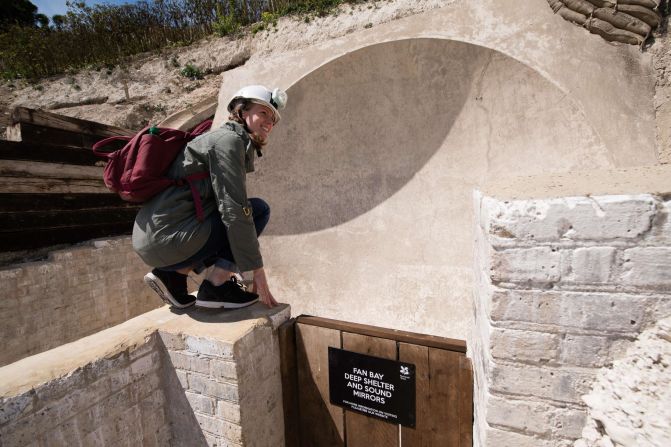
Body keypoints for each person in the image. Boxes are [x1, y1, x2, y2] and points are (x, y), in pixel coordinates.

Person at [132, 85, 287, 309]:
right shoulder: (229, 141)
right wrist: (257, 270)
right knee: (257, 211)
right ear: (242, 112)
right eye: (263, 112)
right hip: (169, 237)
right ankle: (216, 286)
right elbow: (235, 210)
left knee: (229, 218)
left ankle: (174, 277)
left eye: (273, 118)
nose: (269, 122)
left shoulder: (221, 139)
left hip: (153, 238)